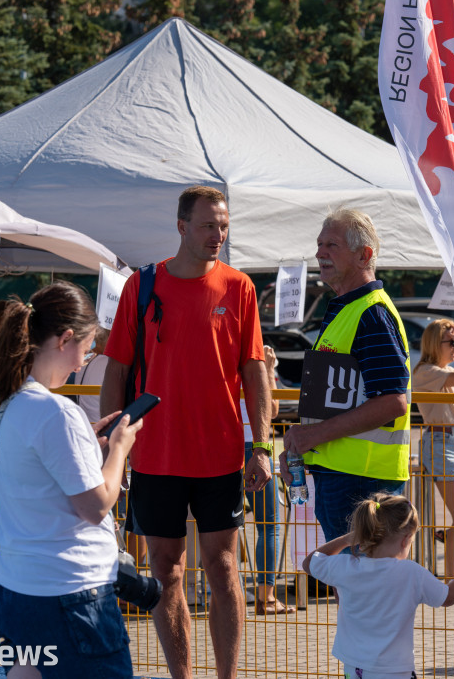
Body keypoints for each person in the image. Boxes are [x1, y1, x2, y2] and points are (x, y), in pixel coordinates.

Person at [100, 185, 272, 679]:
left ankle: (227, 676)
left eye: (223, 225)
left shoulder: (239, 287)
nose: (218, 235)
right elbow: (117, 369)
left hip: (219, 455)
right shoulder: (143, 284)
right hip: (155, 454)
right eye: (207, 226)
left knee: (224, 569)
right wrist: (114, 440)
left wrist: (260, 446)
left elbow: (254, 371)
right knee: (166, 570)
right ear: (181, 228)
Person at [0, 283, 143, 678]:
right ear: (66, 338)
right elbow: (96, 505)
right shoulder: (56, 412)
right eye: (87, 348)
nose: (84, 360)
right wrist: (118, 447)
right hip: (69, 593)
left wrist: (87, 448)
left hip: (13, 585)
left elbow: (17, 485)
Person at [279, 209, 411, 542]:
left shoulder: (372, 314)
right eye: (319, 244)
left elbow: (394, 403)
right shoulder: (349, 307)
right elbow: (335, 399)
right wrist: (302, 444)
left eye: (332, 245)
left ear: (364, 255)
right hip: (347, 478)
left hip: (363, 484)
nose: (320, 253)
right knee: (352, 587)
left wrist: (313, 436)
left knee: (362, 587)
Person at [302, 492, 454, 679]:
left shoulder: (346, 566)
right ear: (406, 539)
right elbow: (448, 597)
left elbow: (310, 562)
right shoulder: (410, 572)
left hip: (354, 667)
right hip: (394, 670)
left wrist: (346, 539)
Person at [412, 319, 454, 579]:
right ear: (433, 344)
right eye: (451, 343)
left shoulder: (444, 373)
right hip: (442, 443)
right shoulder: (426, 371)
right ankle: (451, 580)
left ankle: (452, 554)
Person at [242, 345, 293, 614]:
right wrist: (269, 369)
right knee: (268, 524)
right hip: (255, 446)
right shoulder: (255, 363)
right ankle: (267, 597)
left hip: (221, 444)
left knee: (219, 526)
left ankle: (229, 593)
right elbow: (272, 410)